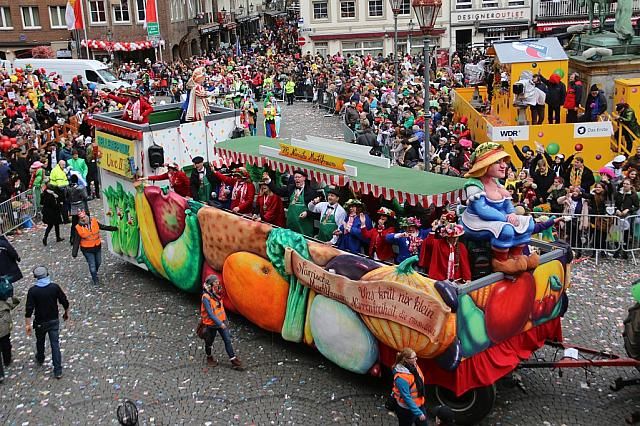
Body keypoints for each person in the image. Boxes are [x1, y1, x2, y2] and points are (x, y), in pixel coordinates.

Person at [461, 142, 536, 275]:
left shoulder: (496, 182)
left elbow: (507, 203)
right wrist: (505, 218)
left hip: (500, 218)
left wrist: (512, 213)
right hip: (477, 222)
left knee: (528, 222)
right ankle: (501, 261)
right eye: (498, 162)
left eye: (503, 161)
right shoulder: (473, 184)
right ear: (485, 165)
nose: (504, 166)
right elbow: (482, 210)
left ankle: (516, 256)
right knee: (506, 230)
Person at [25, 266, 70, 379]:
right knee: (55, 345)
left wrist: (27, 324)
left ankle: (40, 357)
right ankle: (58, 370)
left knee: (40, 341)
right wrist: (66, 312)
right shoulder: (54, 287)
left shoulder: (33, 291)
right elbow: (64, 301)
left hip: (40, 321)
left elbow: (29, 308)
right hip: (53, 320)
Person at [200, 275, 244, 370]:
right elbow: (210, 314)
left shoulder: (217, 293)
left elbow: (221, 307)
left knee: (227, 340)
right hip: (211, 325)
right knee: (209, 342)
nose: (217, 283)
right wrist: (220, 324)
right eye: (215, 282)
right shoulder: (206, 297)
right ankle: (209, 357)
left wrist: (224, 320)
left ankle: (233, 359)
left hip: (221, 321)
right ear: (211, 284)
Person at [264, 170, 316, 237]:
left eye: (299, 177)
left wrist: (307, 213)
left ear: (304, 178)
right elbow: (278, 191)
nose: (296, 179)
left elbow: (316, 211)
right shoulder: (291, 188)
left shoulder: (311, 192)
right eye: (295, 177)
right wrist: (269, 181)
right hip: (291, 222)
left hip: (304, 226)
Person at [74, 210, 118, 285]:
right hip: (87, 249)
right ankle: (95, 279)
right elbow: (76, 241)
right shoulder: (78, 227)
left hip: (97, 247)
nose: (83, 219)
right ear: (79, 218)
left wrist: (113, 228)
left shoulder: (94, 221)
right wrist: (74, 252)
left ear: (87, 216)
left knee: (99, 262)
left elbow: (103, 227)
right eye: (81, 217)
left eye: (84, 216)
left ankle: (94, 273)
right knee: (92, 265)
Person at [391, 348, 427, 426]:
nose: (416, 359)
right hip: (406, 410)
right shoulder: (401, 378)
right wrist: (419, 413)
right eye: (413, 357)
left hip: (419, 404)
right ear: (406, 360)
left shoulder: (414, 365)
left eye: (416, 356)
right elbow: (406, 397)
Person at [614, 178, 639, 259]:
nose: (625, 185)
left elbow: (636, 206)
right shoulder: (618, 193)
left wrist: (628, 210)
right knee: (616, 233)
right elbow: (614, 204)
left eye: (627, 184)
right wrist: (617, 210)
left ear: (631, 185)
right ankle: (617, 250)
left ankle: (625, 251)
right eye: (624, 183)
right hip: (618, 215)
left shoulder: (633, 195)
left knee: (626, 234)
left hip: (628, 217)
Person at [0, 288, 20, 383]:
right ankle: (7, 360)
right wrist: (11, 295)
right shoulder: (4, 304)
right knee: (6, 342)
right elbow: (15, 303)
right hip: (4, 327)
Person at [67, 174, 89, 245]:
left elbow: (66, 197)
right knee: (84, 221)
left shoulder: (68, 188)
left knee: (74, 224)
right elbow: (85, 196)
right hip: (81, 206)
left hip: (73, 206)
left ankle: (72, 238)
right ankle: (85, 236)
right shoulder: (80, 188)